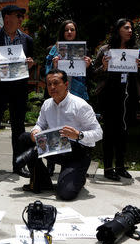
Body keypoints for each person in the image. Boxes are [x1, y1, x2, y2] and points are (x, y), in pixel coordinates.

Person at [18, 69, 102, 200]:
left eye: (56, 83)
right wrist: (36, 131)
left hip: (78, 152)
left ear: (66, 84)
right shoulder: (47, 104)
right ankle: (43, 182)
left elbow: (98, 133)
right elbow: (40, 124)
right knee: (25, 138)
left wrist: (79, 135)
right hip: (55, 146)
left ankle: (78, 177)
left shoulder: (80, 105)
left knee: (66, 194)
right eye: (49, 84)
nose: (52, 87)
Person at [0, 5, 34, 178]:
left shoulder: (27, 40)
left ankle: (19, 166)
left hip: (19, 90)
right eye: (17, 16)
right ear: (6, 18)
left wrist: (31, 64)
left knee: (18, 129)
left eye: (21, 17)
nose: (20, 19)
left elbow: (30, 63)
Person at [92, 18, 140, 181]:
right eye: (126, 28)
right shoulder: (106, 50)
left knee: (124, 131)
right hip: (109, 94)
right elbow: (94, 73)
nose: (130, 31)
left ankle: (120, 166)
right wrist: (104, 67)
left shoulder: (136, 50)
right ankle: (108, 168)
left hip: (128, 95)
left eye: (131, 28)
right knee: (109, 131)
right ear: (118, 30)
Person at [45, 20, 93, 100]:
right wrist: (54, 66)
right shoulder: (53, 50)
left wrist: (87, 67)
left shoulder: (83, 50)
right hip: (57, 92)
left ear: (76, 32)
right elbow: (44, 74)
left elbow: (91, 76)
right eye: (66, 30)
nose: (69, 32)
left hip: (77, 92)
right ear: (62, 32)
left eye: (72, 30)